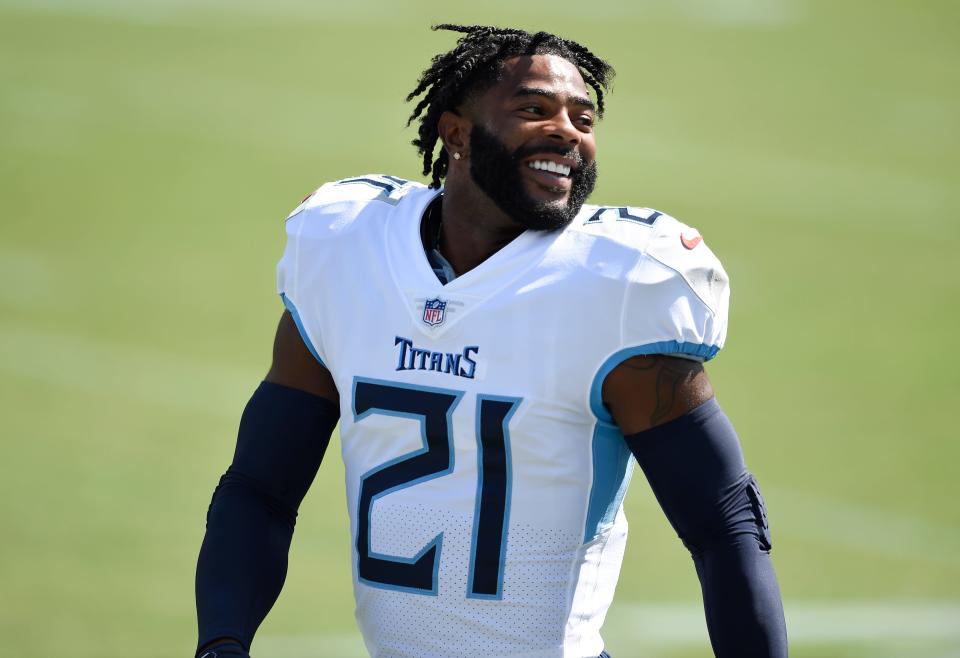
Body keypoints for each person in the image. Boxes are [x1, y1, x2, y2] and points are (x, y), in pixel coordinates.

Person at [194, 24, 788, 658]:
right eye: (535, 109)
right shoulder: (348, 248)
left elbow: (724, 526)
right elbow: (261, 486)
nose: (568, 131)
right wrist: (222, 643)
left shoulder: (618, 283)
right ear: (455, 133)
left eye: (583, 118)